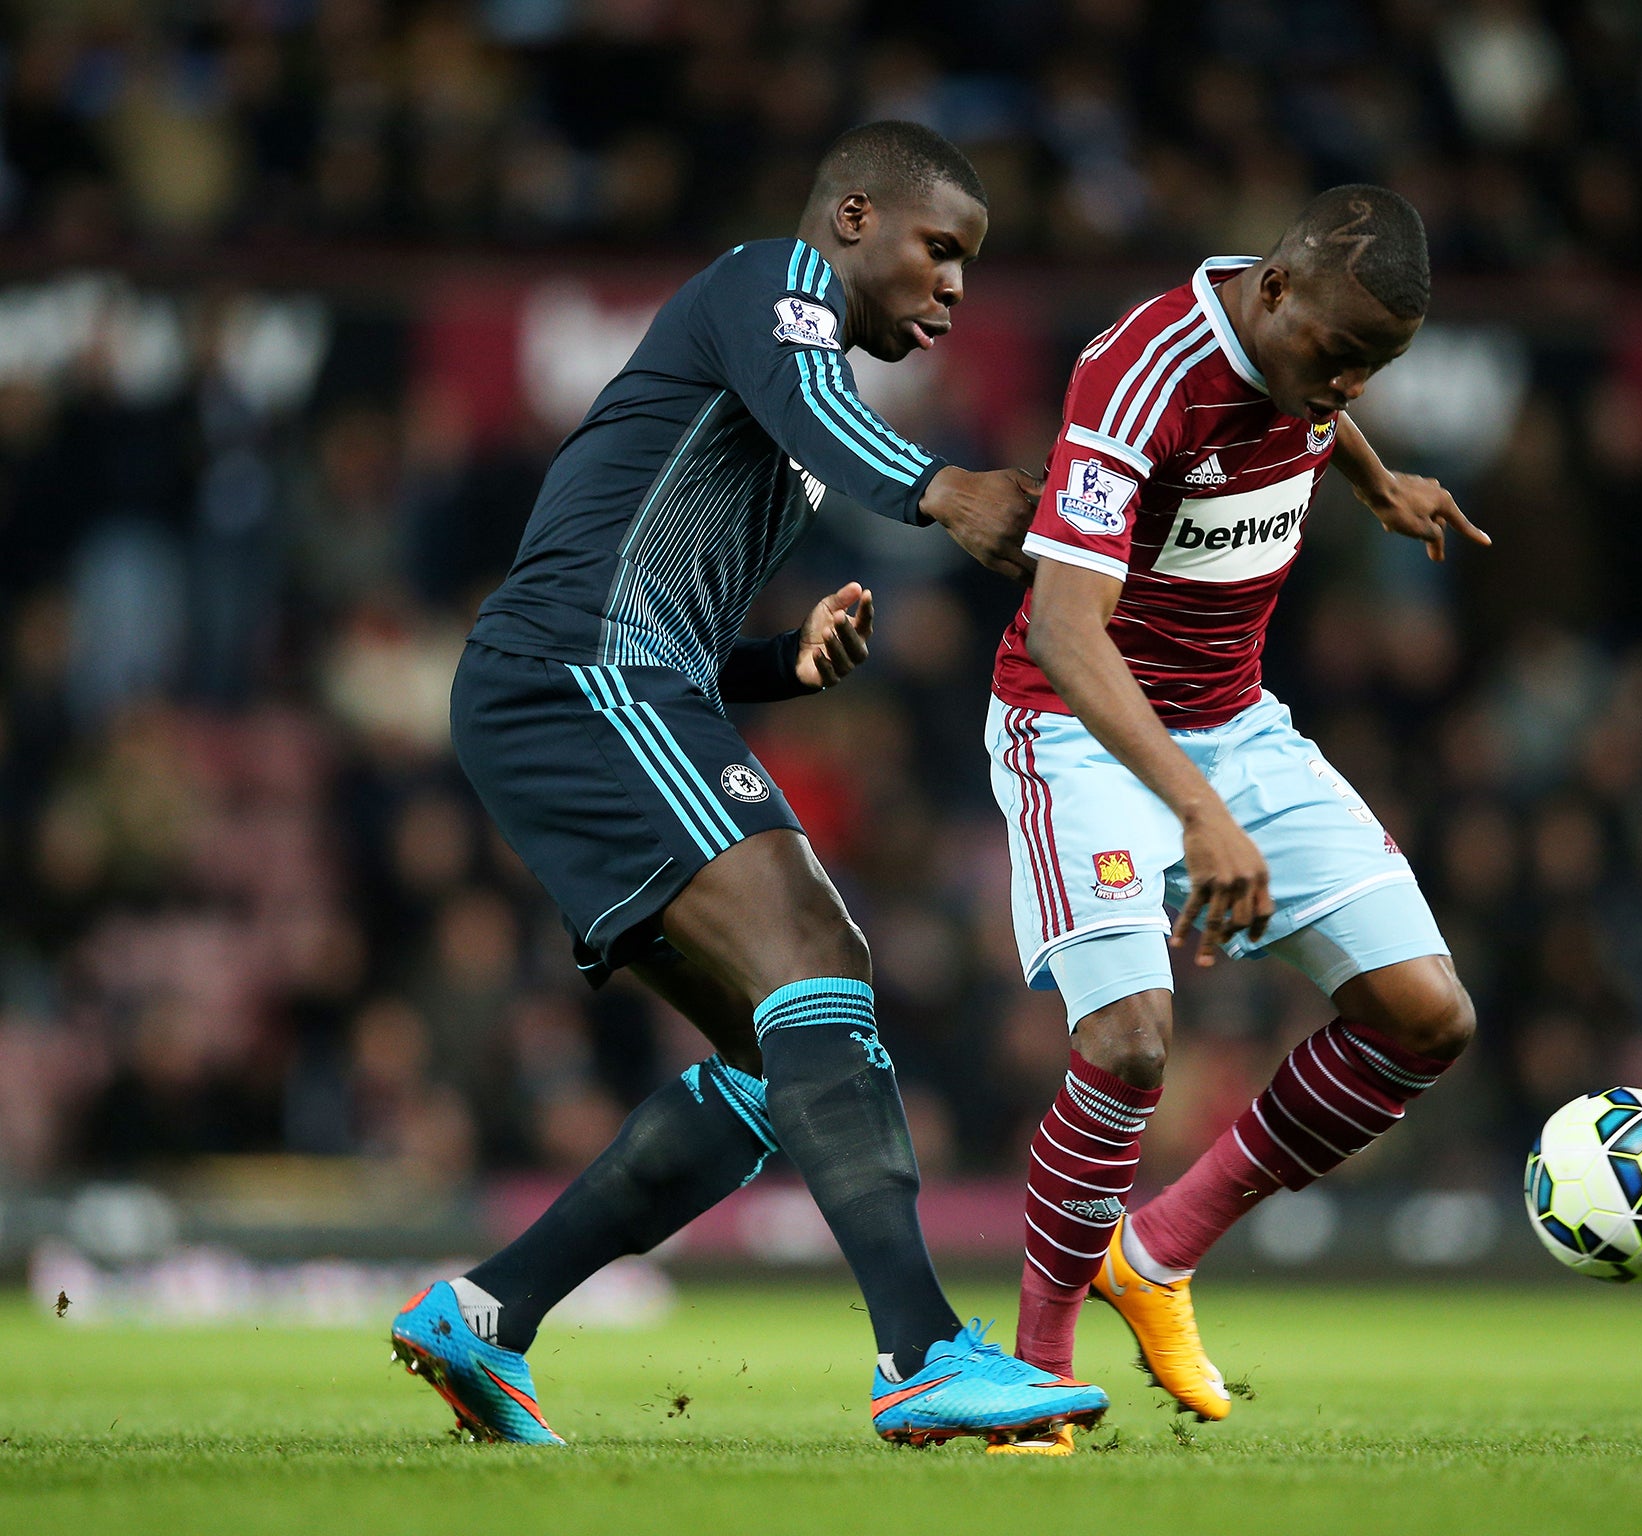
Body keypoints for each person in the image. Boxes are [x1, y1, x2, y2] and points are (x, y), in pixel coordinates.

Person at [389, 121, 1107, 1450]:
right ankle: (920, 1356)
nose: (955, 284)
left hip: (601, 678)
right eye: (937, 248)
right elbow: (828, 431)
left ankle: (485, 1314)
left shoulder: (778, 401)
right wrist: (944, 486)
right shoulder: (765, 287)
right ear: (849, 223)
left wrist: (784, 661)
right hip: (575, 676)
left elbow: (665, 600)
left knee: (775, 1064)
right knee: (815, 945)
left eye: (971, 264)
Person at [982, 186, 1489, 1453]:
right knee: (1131, 1042)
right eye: (1339, 355)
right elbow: (1060, 625)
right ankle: (1035, 1374)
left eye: (1377, 370)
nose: (1351, 386)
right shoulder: (1141, 371)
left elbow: (1305, 412)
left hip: (1234, 719)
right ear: (1274, 291)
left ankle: (1154, 1257)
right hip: (1078, 722)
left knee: (1425, 1015)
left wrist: (1371, 484)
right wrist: (1198, 816)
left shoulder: (1307, 363)